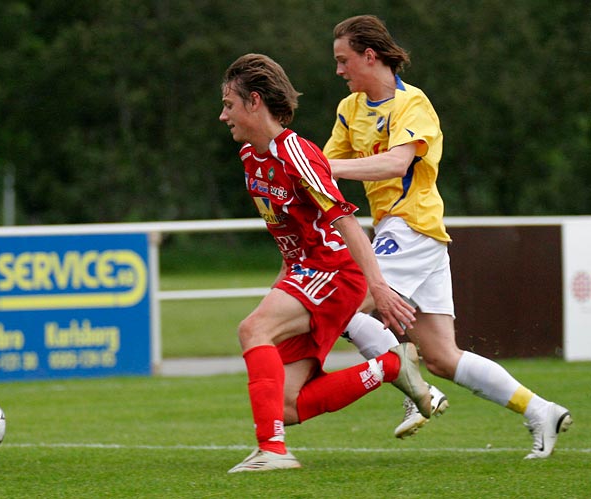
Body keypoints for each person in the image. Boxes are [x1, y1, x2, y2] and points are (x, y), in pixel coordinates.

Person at [323, 14, 572, 458]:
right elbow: (320, 166)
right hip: (403, 233)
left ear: (369, 55)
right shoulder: (350, 110)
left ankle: (411, 383)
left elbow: (395, 164)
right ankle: (541, 410)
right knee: (442, 355)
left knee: (332, 302)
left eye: (344, 61)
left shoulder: (413, 104)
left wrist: (321, 171)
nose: (339, 71)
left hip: (411, 228)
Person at [219, 53, 433, 473]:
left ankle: (272, 452)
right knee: (289, 404)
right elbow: (290, 239)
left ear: (254, 101)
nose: (222, 115)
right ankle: (391, 365)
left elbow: (348, 223)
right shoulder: (251, 159)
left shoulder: (296, 153)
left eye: (229, 104)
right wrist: (279, 290)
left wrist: (378, 288)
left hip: (335, 272)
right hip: (307, 273)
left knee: (253, 328)